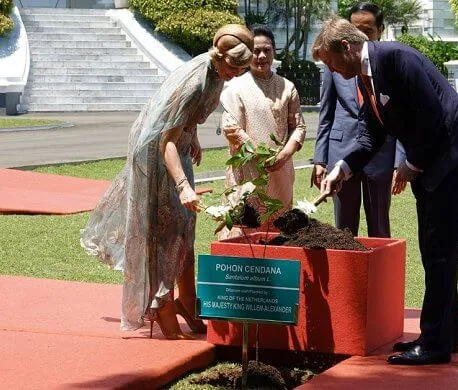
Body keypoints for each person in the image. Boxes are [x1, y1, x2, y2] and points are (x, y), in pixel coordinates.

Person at [312, 18, 458, 365]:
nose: (331, 70)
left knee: (438, 246)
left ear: (345, 47)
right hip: (433, 157)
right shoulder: (364, 77)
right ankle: (442, 334)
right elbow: (370, 137)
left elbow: (432, 115)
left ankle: (435, 344)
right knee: (435, 247)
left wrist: (413, 164)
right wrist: (342, 169)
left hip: (455, 152)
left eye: (330, 62)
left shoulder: (394, 57)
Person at [80, 24, 254, 339]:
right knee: (165, 229)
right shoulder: (195, 80)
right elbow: (166, 142)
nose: (237, 74)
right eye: (234, 67)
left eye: (242, 69)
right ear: (219, 54)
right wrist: (183, 186)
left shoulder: (215, 72)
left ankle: (187, 299)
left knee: (185, 222)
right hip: (156, 153)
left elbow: (184, 117)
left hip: (176, 143)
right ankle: (161, 302)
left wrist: (194, 134)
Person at [312, 2, 406, 238]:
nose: (360, 37)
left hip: (380, 154)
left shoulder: (389, 63)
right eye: (355, 30)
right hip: (341, 152)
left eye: (368, 31)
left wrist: (399, 161)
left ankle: (379, 274)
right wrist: (320, 158)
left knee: (379, 227)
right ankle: (346, 273)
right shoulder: (334, 63)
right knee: (343, 229)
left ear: (381, 29)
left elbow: (402, 117)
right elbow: (326, 113)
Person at [218, 24, 306, 239]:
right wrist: (259, 154)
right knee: (245, 223)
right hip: (247, 169)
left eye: (267, 50)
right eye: (256, 51)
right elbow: (231, 128)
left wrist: (284, 155)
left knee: (278, 225)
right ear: (248, 53)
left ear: (274, 51)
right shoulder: (236, 87)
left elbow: (299, 126)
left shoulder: (287, 87)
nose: (261, 56)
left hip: (281, 171)